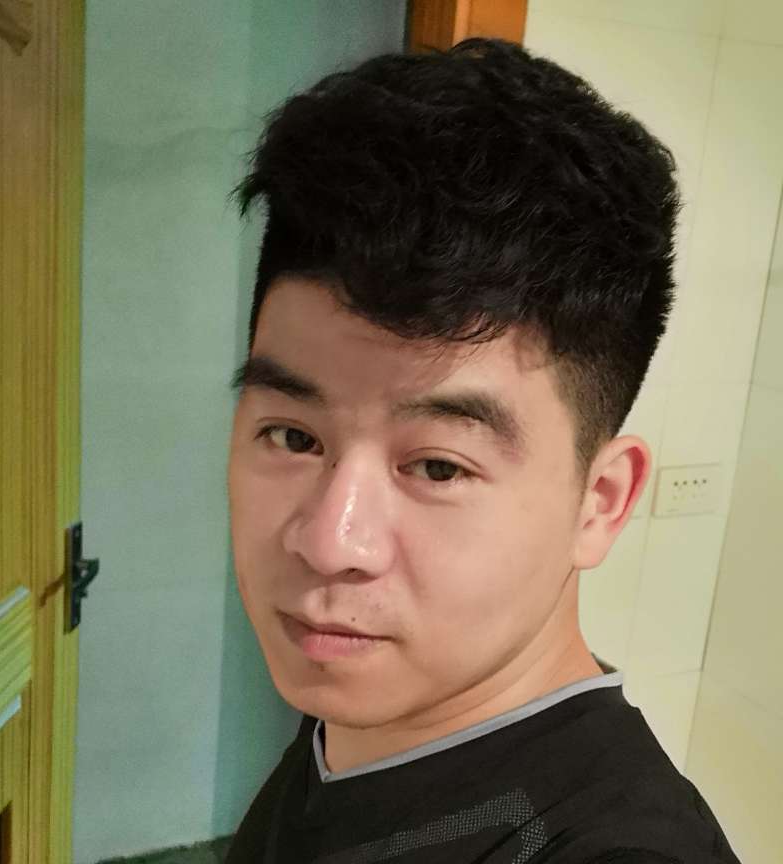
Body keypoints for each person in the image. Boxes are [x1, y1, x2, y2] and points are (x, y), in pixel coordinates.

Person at [223, 37, 741, 864]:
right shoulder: (361, 720)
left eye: (437, 466)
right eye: (295, 436)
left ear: (600, 502)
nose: (329, 541)